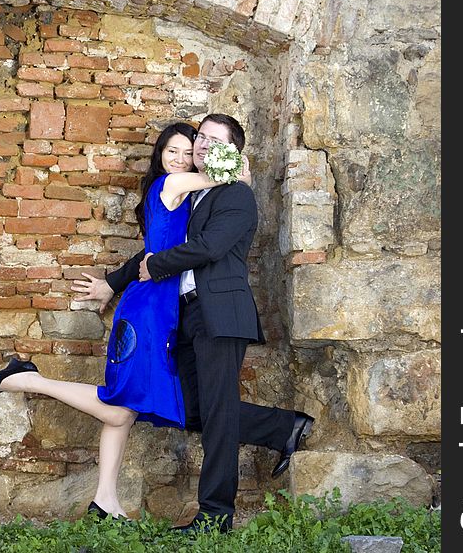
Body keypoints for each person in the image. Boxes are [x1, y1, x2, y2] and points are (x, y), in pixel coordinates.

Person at [0, 122, 240, 519]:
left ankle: (105, 500)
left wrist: (111, 283)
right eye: (173, 151)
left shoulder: (186, 196)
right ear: (159, 155)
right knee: (119, 407)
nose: (181, 159)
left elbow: (152, 251)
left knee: (126, 409)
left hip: (160, 307)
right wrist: (238, 165)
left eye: (188, 153)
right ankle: (26, 379)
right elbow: (227, 174)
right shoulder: (171, 187)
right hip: (148, 310)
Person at [74, 113, 314, 532]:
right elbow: (157, 248)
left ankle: (215, 517)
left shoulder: (236, 195)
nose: (202, 145)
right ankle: (283, 427)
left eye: (213, 141)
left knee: (217, 416)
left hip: (220, 314)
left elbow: (210, 247)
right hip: (184, 316)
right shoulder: (192, 196)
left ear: (232, 152)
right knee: (188, 408)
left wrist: (157, 267)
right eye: (199, 137)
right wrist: (117, 280)